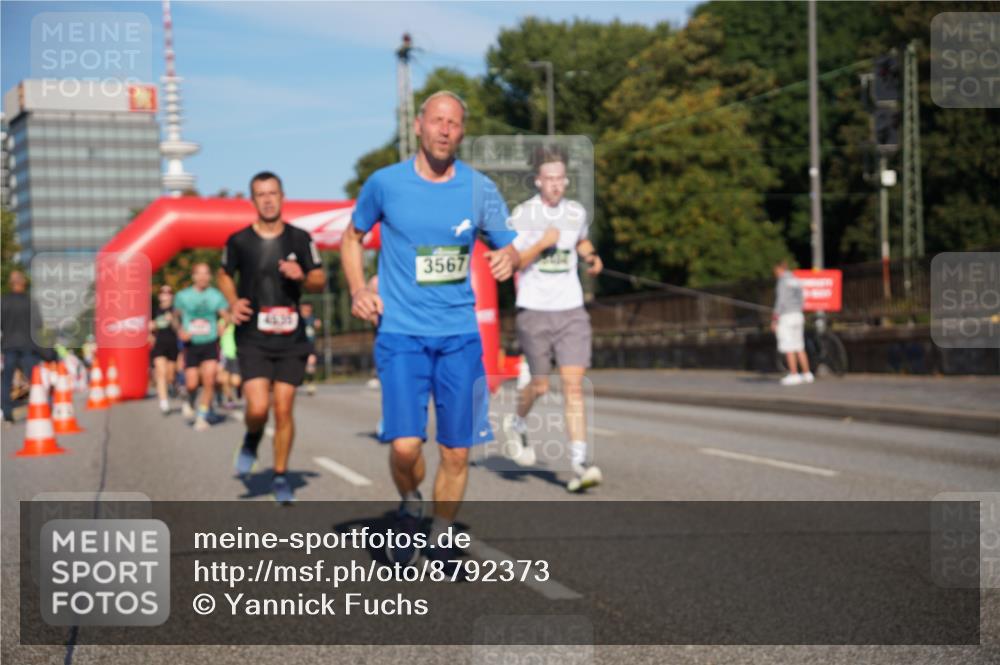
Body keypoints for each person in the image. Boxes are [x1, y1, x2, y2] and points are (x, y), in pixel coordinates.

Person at [342, 90, 519, 564]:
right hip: (400, 334)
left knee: (457, 452)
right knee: (404, 447)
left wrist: (509, 256)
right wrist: (359, 289)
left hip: (460, 337)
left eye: (454, 123)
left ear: (462, 132)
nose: (445, 130)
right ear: (419, 125)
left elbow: (509, 245)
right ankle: (410, 500)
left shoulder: (480, 189)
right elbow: (351, 237)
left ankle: (439, 533)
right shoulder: (384, 184)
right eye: (437, 120)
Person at [500, 144, 604, 492]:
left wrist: (591, 257)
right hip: (534, 309)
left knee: (573, 386)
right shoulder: (522, 214)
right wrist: (542, 243)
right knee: (541, 384)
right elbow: (512, 263)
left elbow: (581, 242)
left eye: (561, 178)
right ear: (537, 181)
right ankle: (516, 423)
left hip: (571, 309)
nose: (557, 184)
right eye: (550, 179)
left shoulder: (575, 212)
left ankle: (579, 462)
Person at [218, 171, 325, 504]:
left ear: (282, 197)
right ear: (253, 200)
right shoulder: (239, 241)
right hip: (252, 336)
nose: (267, 199)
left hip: (291, 338)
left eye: (273, 193)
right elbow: (224, 275)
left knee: (283, 409)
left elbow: (320, 279)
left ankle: (280, 475)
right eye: (260, 194)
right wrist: (233, 301)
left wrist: (304, 275)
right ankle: (251, 437)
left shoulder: (299, 238)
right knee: (259, 407)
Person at [174, 263, 230, 430]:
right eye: (199, 274)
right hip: (191, 343)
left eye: (206, 274)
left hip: (210, 342)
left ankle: (202, 416)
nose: (203, 277)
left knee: (209, 379)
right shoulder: (183, 296)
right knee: (191, 383)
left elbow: (226, 315)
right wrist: (179, 330)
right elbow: (175, 317)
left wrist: (223, 324)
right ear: (193, 276)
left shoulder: (216, 296)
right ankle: (190, 400)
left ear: (210, 277)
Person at [1, 271, 42, 424]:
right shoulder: (30, 302)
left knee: (6, 380)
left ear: (11, 284)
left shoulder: (3, 302)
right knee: (35, 379)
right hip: (28, 346)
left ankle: (7, 414)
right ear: (23, 283)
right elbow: (39, 324)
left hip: (9, 345)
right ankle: (41, 409)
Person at [772, 260, 814, 386]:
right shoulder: (795, 279)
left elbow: (781, 301)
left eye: (775, 271)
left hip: (787, 316)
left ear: (779, 269)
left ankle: (794, 374)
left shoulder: (783, 281)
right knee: (799, 346)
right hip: (798, 314)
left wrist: (775, 319)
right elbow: (802, 298)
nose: (775, 274)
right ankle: (807, 374)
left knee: (789, 346)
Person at [149, 285, 180, 415]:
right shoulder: (155, 310)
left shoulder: (176, 309)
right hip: (159, 344)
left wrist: (172, 319)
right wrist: (151, 328)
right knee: (160, 373)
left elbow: (179, 328)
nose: (165, 294)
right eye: (163, 292)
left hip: (173, 344)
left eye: (168, 292)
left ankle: (172, 384)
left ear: (172, 295)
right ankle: (164, 402)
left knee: (170, 375)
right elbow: (149, 328)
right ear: (159, 295)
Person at [217, 318, 242, 410]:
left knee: (236, 381)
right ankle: (229, 399)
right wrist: (226, 324)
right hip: (225, 354)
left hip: (236, 354)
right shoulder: (222, 321)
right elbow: (219, 334)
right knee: (223, 379)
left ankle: (239, 387)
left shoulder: (239, 320)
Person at [300, 301, 321, 395]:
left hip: (309, 345)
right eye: (305, 310)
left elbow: (318, 325)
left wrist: (317, 324)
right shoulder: (298, 319)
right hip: (297, 345)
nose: (307, 312)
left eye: (309, 310)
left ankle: (311, 383)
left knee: (311, 363)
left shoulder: (312, 319)